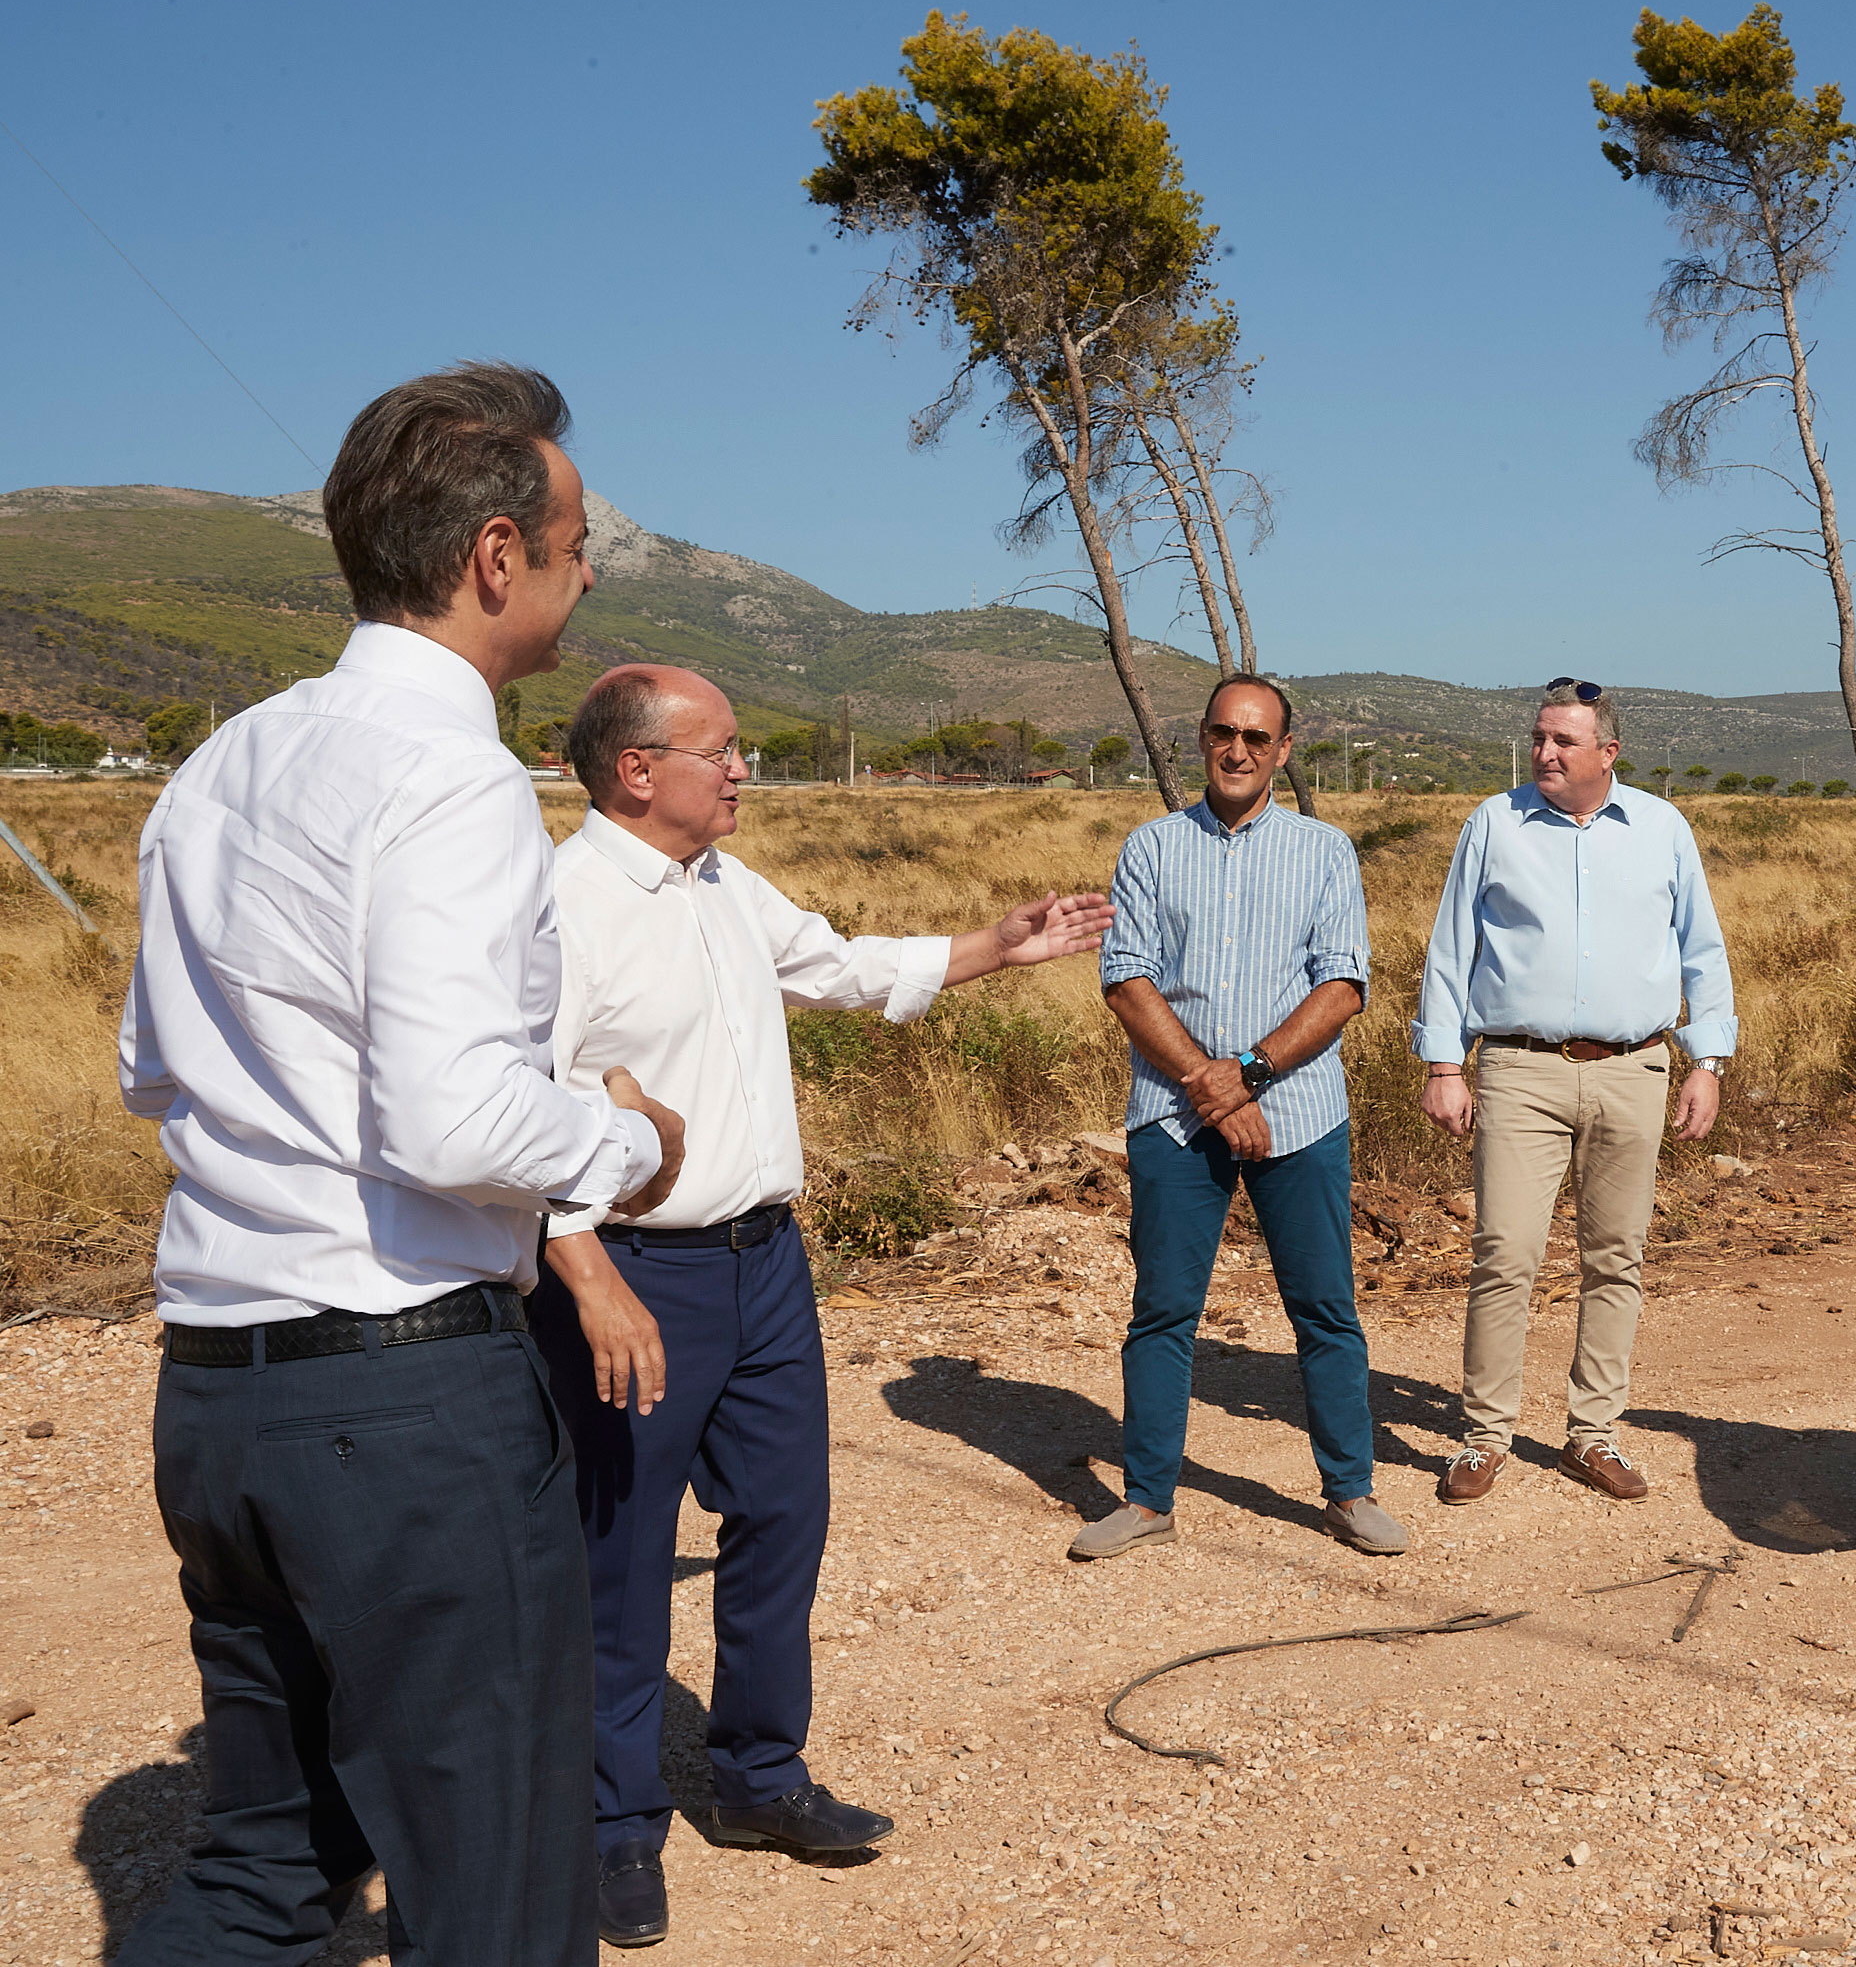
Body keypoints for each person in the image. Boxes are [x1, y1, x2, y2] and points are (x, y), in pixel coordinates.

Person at [115, 363, 684, 1965]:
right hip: (403, 1401)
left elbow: (154, 1070)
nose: (590, 573)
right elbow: (451, 1121)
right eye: (580, 540)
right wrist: (631, 1143)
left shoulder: (218, 765)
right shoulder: (450, 772)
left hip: (219, 1390)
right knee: (495, 1890)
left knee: (259, 1873)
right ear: (499, 555)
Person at [532, 663, 1112, 1947]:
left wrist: (995, 949)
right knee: (621, 1556)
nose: (744, 769)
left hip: (766, 1267)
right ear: (638, 769)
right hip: (643, 1276)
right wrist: (587, 1277)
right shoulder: (562, 906)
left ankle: (757, 1778)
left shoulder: (728, 886)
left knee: (783, 1523)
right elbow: (525, 1109)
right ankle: (613, 1825)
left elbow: (839, 966)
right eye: (722, 750)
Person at [1071, 674, 1400, 1559]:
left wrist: (1247, 1075)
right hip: (1174, 1116)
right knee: (1162, 1310)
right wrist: (1208, 1088)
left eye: (1259, 737)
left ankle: (1348, 1489)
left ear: (1284, 750)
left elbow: (1343, 986)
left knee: (1325, 1308)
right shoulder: (1149, 848)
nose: (1240, 750)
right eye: (1225, 732)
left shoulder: (1326, 851)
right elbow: (1125, 978)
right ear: (1202, 739)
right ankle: (1147, 1499)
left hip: (1298, 1113)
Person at [1414, 678, 1735, 1505]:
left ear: (1608, 753)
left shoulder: (1662, 829)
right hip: (1521, 1067)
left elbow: (1703, 950)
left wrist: (1709, 1060)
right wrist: (1444, 1065)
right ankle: (1484, 1437)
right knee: (1506, 1254)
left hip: (1637, 1067)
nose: (1545, 752)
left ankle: (1592, 1436)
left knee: (1616, 1257)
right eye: (1540, 736)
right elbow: (1451, 948)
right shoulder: (1495, 822)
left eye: (1563, 740)